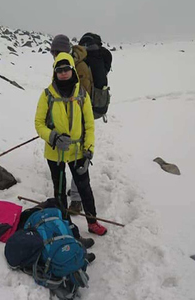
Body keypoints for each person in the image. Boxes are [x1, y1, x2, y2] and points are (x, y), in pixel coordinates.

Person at [34, 52, 107, 236]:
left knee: (84, 188)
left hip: (78, 152)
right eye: (60, 70)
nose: (64, 73)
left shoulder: (82, 94)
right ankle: (64, 224)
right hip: (54, 153)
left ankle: (92, 222)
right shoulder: (47, 95)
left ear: (72, 70)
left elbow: (89, 125)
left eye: (67, 69)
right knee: (59, 191)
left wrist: (89, 150)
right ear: (55, 72)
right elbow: (39, 124)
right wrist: (53, 137)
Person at [68, 32, 113, 215]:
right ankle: (77, 191)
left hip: (81, 112)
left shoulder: (82, 62)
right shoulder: (99, 59)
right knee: (79, 152)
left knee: (78, 155)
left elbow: (80, 90)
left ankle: (77, 200)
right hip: (95, 108)